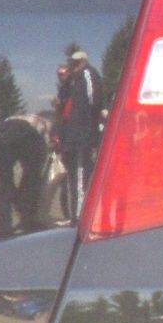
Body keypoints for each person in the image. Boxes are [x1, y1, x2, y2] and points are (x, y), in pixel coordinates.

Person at [0, 114, 55, 237]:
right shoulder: (46, 124)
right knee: (32, 178)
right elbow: (44, 148)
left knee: (4, 184)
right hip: (24, 134)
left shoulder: (14, 118)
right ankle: (29, 218)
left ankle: (3, 228)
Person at [57, 50, 102, 219]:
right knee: (75, 179)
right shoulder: (74, 81)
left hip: (82, 136)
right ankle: (77, 215)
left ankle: (79, 219)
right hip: (72, 137)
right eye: (72, 63)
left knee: (80, 178)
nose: (73, 66)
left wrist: (88, 125)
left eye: (77, 62)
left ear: (84, 61)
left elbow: (94, 101)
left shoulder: (89, 74)